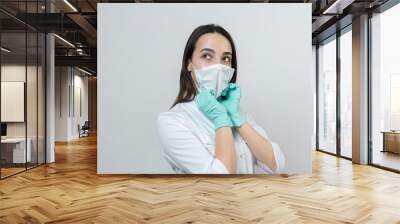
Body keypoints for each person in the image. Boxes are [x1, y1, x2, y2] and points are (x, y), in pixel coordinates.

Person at [157, 24, 285, 174]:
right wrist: (220, 118)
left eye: (225, 58)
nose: (218, 66)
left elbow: (275, 164)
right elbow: (220, 178)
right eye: (206, 56)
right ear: (189, 63)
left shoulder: (237, 111)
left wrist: (238, 119)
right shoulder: (173, 121)